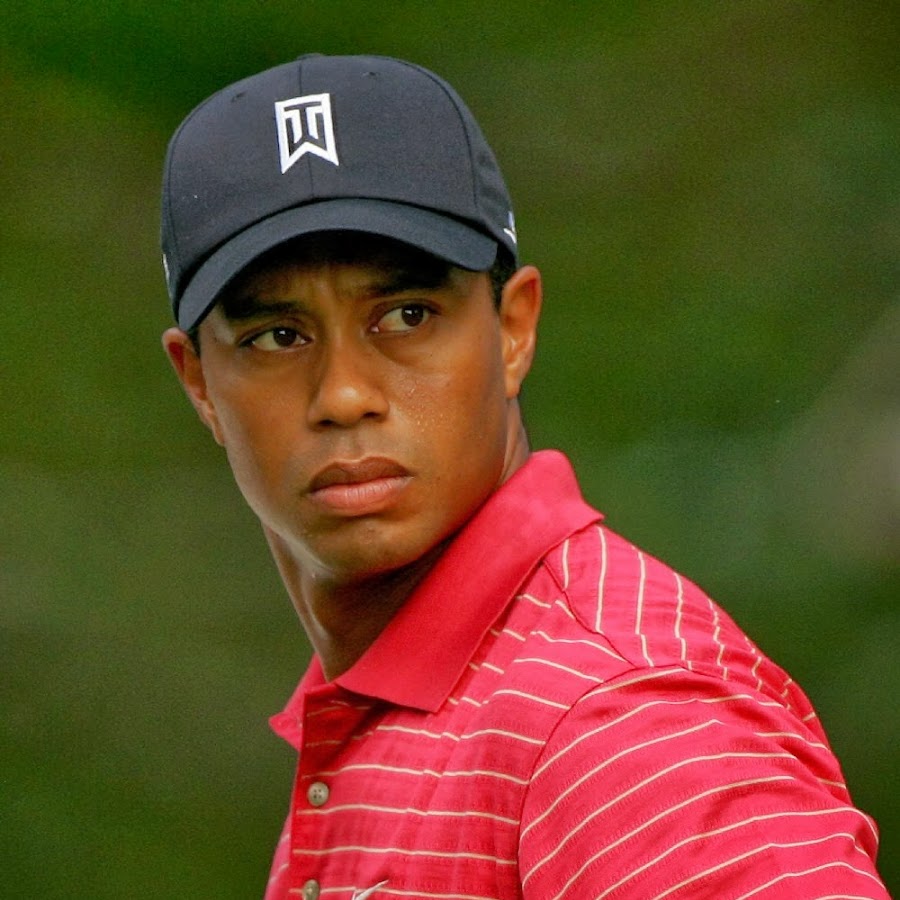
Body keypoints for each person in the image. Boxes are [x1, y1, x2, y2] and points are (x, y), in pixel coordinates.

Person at [160, 54, 889, 900]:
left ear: (514, 330)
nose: (344, 394)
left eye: (406, 315)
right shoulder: (391, 704)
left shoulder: (621, 718)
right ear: (199, 383)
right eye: (278, 336)